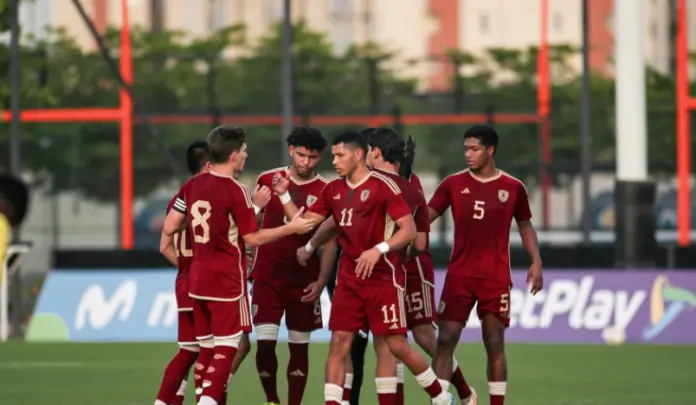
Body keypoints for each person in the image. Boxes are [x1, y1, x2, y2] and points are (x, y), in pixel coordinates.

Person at [277, 131, 454, 405]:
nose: (334, 161)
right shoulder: (333, 190)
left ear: (358, 155)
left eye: (339, 155)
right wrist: (284, 196)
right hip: (349, 278)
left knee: (395, 346)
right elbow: (308, 223)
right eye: (333, 155)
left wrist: (378, 249)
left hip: (384, 277)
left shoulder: (384, 187)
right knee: (339, 344)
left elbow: (408, 231)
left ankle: (441, 397)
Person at [162, 125, 315, 405]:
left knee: (204, 348)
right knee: (228, 347)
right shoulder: (237, 190)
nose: (246, 155)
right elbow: (252, 238)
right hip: (226, 281)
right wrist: (290, 228)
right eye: (244, 151)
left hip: (196, 281)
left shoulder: (192, 185)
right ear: (233, 155)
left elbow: (171, 226)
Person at [428, 125, 543, 405]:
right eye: (466, 149)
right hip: (460, 275)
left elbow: (525, 225)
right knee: (445, 339)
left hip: (494, 277)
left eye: (474, 149)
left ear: (490, 150)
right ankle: (440, 401)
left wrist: (536, 261)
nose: (468, 154)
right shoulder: (452, 184)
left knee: (494, 343)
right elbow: (426, 216)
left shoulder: (513, 188)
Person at [364, 128, 477, 405]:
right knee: (391, 339)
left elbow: (419, 239)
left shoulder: (406, 182)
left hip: (412, 266)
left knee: (424, 335)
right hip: (386, 269)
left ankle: (462, 393)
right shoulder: (368, 181)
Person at [250, 126, 338, 405]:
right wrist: (248, 257)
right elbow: (252, 226)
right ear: (291, 151)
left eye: (311, 157)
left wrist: (322, 280)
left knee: (299, 349)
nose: (305, 162)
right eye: (300, 155)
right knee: (264, 345)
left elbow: (328, 241)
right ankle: (272, 400)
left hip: (304, 279)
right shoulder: (267, 179)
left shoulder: (326, 189)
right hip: (268, 276)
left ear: (320, 157)